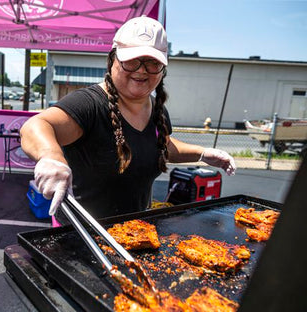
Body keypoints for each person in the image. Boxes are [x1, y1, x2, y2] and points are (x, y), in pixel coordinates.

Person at [20, 16, 236, 221]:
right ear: (112, 59)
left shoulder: (157, 109)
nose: (142, 70)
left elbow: (162, 145)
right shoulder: (89, 104)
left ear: (163, 70)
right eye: (131, 61)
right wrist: (51, 157)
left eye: (152, 63)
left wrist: (203, 154)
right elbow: (36, 125)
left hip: (135, 229)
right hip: (81, 234)